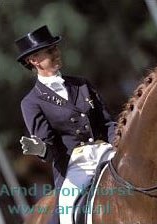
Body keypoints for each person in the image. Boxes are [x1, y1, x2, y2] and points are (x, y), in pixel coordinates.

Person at [15, 25, 116, 224]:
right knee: (64, 216)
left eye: (56, 48)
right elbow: (50, 146)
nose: (57, 52)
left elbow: (108, 123)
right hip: (74, 165)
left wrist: (120, 145)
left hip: (106, 150)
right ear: (34, 60)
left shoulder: (81, 84)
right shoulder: (31, 102)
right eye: (50, 50)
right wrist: (42, 148)